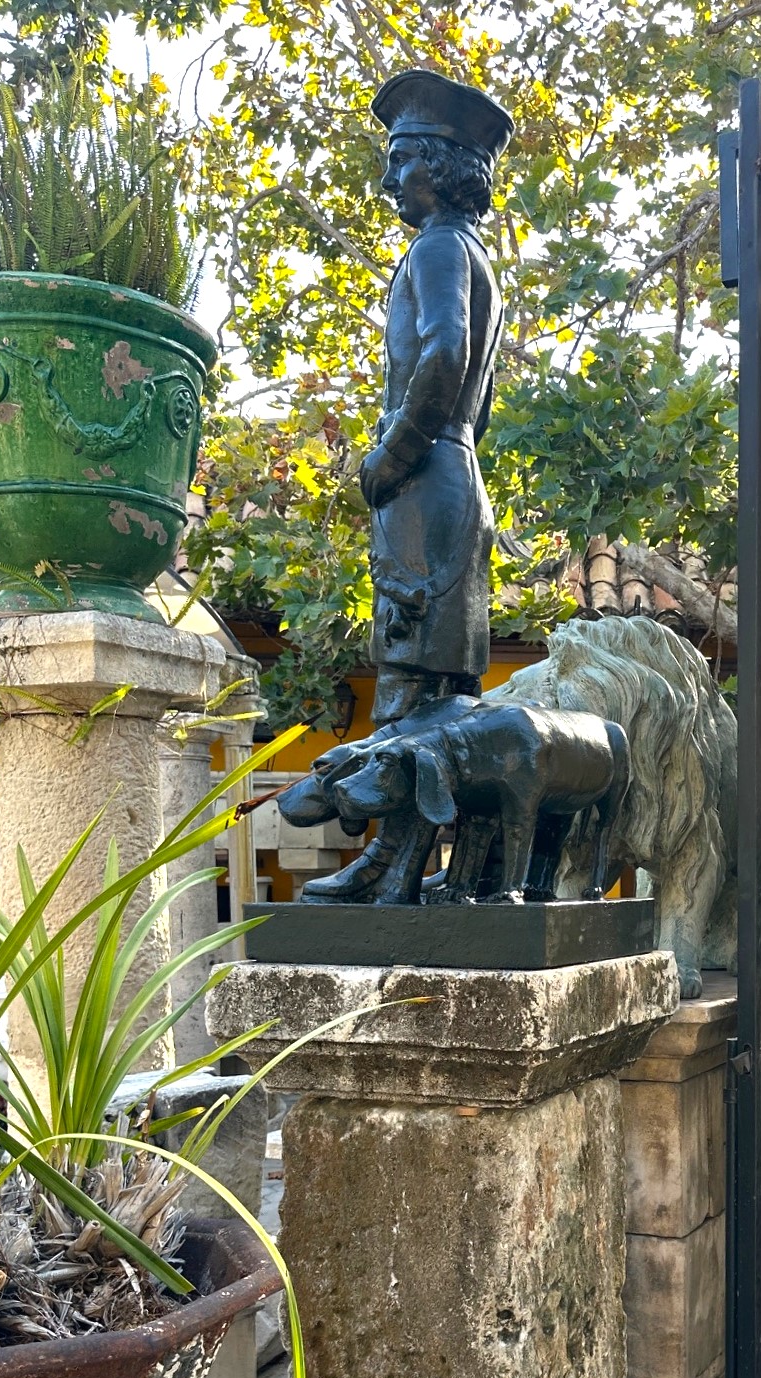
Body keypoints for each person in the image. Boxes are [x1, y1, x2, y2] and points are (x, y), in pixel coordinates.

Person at [298, 70, 513, 904]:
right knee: (441, 697)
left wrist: (390, 455)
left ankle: (392, 862)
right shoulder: (473, 254)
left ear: (439, 164)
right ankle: (408, 865)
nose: (388, 182)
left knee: (406, 687)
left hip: (428, 483)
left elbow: (444, 354)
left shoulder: (435, 249)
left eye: (399, 162)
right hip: (459, 476)